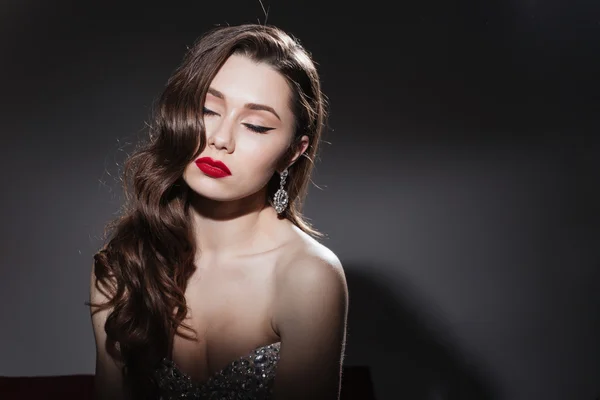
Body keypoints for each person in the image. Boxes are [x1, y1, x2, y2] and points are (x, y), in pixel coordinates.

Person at [87, 23, 348, 400]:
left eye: (256, 126)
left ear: (293, 151)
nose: (220, 139)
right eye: (208, 109)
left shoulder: (307, 276)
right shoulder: (123, 263)